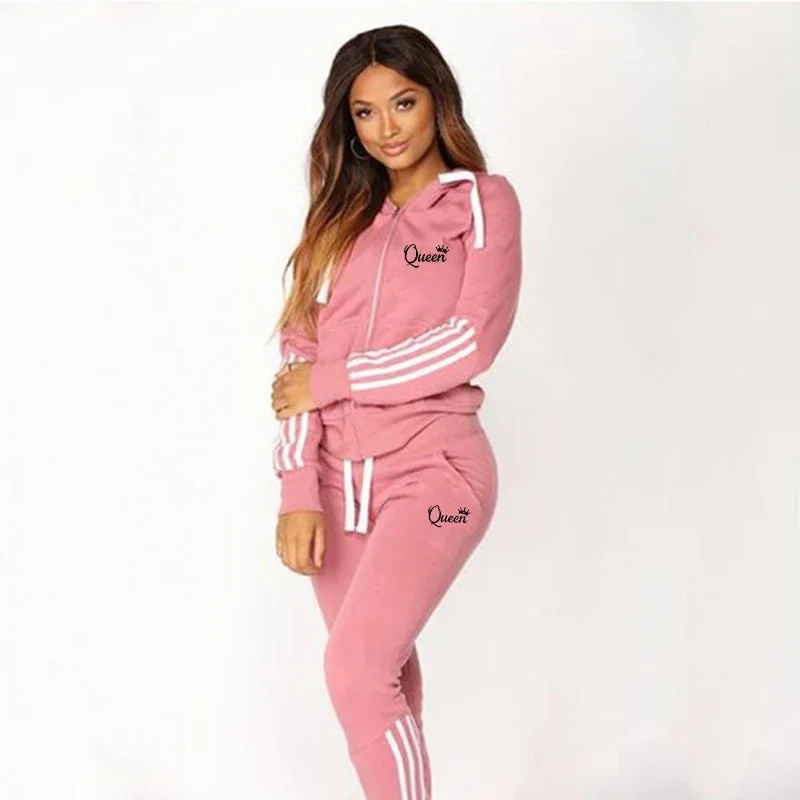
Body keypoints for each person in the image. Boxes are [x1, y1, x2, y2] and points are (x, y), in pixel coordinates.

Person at [269, 23, 522, 800]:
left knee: (354, 668)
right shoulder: (341, 222)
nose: (387, 128)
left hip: (438, 477)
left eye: (403, 103)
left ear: (436, 98)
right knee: (379, 676)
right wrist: (298, 490)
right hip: (336, 484)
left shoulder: (482, 203)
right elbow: (297, 360)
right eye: (365, 112)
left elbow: (471, 341)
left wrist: (337, 380)